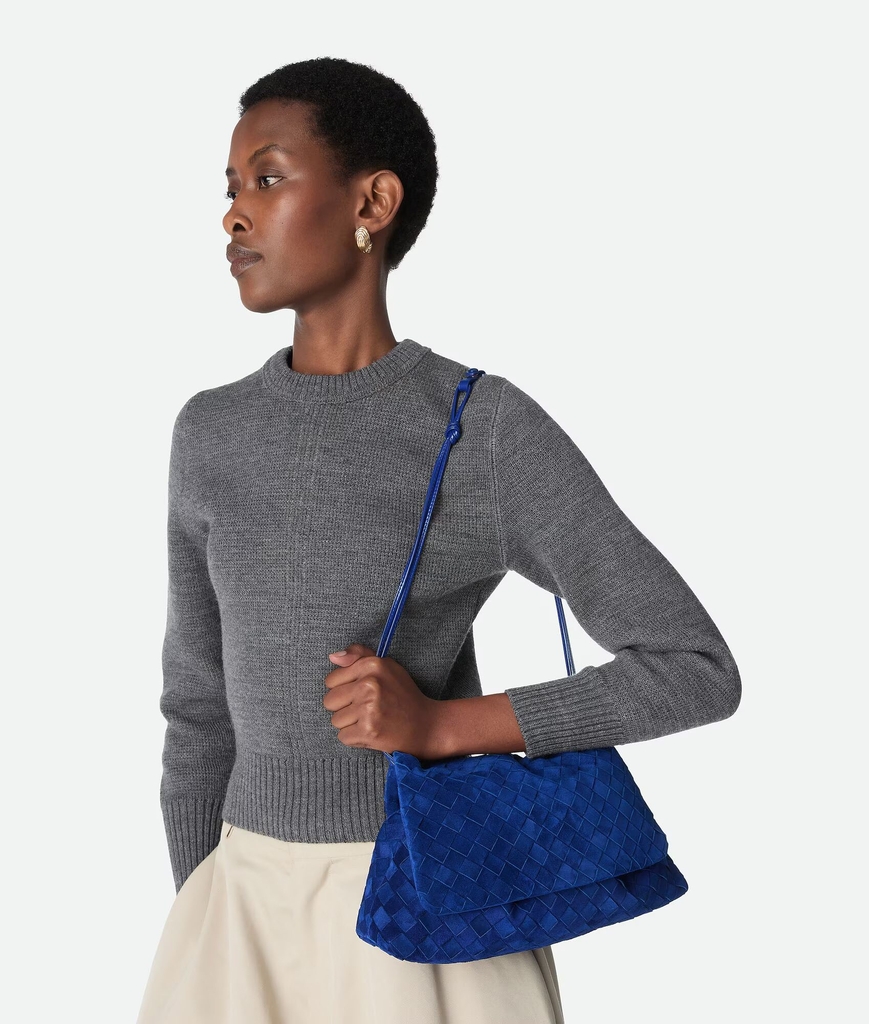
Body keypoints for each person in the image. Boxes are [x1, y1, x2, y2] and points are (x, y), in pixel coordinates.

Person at [136, 56, 741, 1024]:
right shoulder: (210, 432)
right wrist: (202, 908)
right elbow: (198, 708)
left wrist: (442, 728)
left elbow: (693, 668)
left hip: (428, 914)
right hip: (238, 912)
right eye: (231, 187)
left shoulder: (478, 428)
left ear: (371, 202)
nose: (234, 215)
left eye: (268, 177)